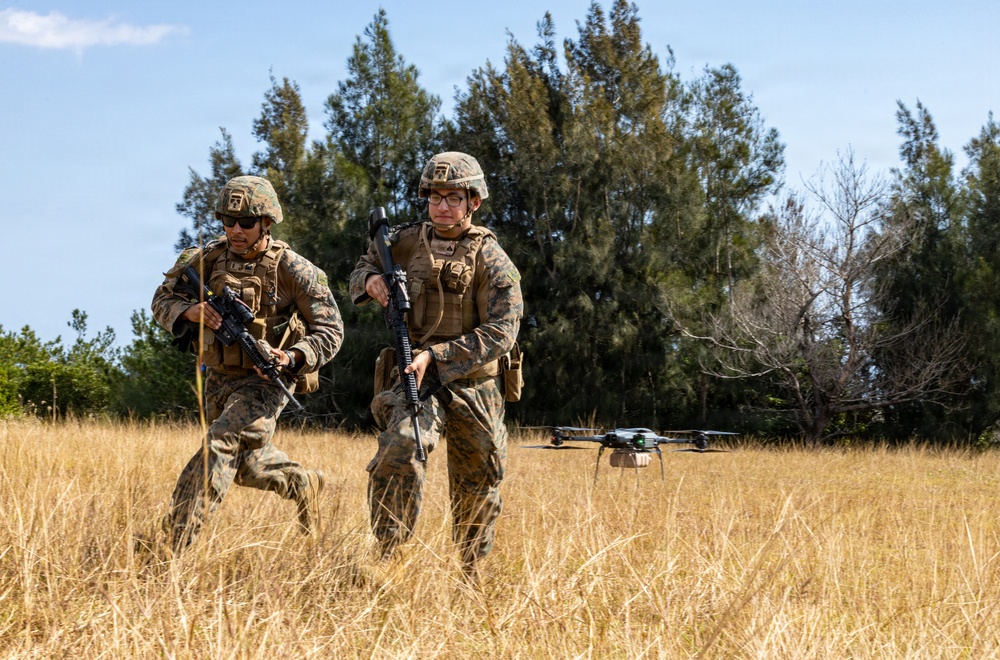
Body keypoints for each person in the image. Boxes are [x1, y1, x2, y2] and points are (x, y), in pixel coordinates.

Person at [349, 151, 523, 579]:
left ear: (473, 202)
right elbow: (363, 265)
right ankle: (387, 558)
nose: (442, 206)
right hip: (413, 375)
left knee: (479, 478)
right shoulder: (405, 240)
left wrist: (437, 355)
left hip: (473, 382)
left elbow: (503, 332)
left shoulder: (492, 258)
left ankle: (471, 572)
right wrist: (371, 281)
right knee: (401, 446)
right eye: (434, 197)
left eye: (454, 197)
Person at [150, 175, 343, 553]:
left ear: (266, 223)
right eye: (228, 221)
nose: (236, 230)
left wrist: (291, 356)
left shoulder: (294, 269)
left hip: (267, 382)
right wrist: (191, 311)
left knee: (219, 445)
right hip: (219, 379)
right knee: (247, 467)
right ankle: (303, 482)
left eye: (246, 223)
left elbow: (331, 329)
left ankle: (174, 544)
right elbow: (161, 300)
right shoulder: (204, 259)